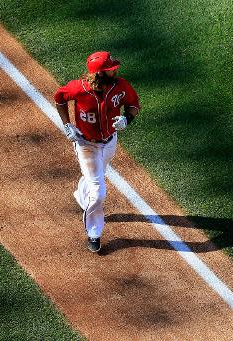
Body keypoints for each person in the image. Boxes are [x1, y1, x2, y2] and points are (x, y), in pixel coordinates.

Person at [54, 51, 140, 252]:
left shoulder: (120, 86)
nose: (115, 70)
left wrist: (127, 119)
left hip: (110, 142)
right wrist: (67, 125)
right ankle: (94, 233)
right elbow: (59, 98)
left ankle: (82, 194)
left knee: (97, 176)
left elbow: (134, 104)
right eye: (110, 69)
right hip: (86, 145)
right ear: (100, 73)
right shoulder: (79, 88)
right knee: (99, 192)